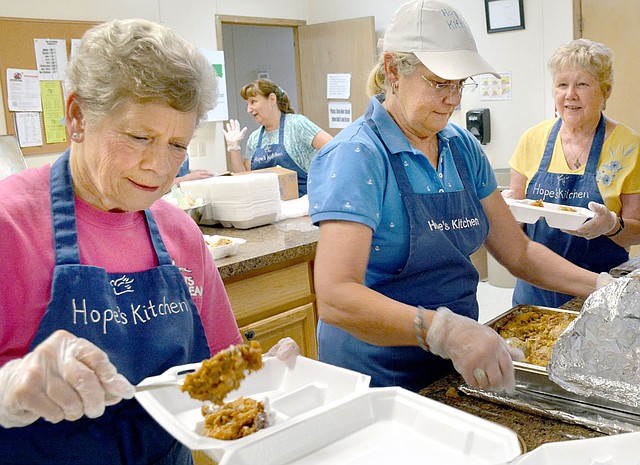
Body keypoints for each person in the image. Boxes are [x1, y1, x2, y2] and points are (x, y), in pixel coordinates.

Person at [0, 19, 297, 465]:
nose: (159, 166)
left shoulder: (180, 233)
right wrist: (8, 390)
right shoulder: (10, 225)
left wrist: (262, 377)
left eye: (178, 145)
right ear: (78, 116)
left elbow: (220, 368)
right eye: (139, 137)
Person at [307, 0, 603, 394]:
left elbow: (519, 252)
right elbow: (336, 296)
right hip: (377, 376)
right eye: (439, 83)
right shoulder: (358, 156)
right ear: (394, 70)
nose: (454, 99)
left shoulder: (460, 148)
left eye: (460, 83)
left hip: (452, 366)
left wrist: (602, 287)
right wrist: (442, 330)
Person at [504, 38, 640, 308]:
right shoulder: (533, 139)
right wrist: (507, 211)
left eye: (582, 84)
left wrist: (611, 225)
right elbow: (514, 222)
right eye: (562, 84)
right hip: (535, 287)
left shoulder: (628, 146)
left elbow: (636, 231)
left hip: (600, 288)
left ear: (605, 92)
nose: (570, 95)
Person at [222, 78, 332, 196]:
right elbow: (244, 179)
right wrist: (234, 149)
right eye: (247, 104)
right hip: (269, 205)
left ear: (272, 99)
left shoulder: (297, 124)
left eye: (253, 102)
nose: (248, 109)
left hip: (302, 204)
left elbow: (334, 148)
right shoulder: (254, 138)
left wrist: (324, 180)